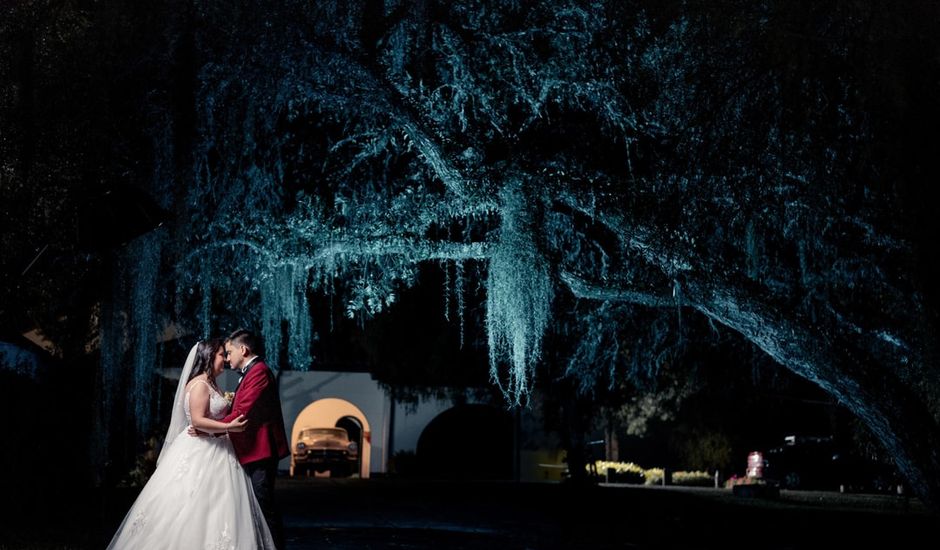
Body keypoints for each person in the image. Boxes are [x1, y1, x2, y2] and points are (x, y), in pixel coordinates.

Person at [107, 339, 277, 549]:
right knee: (192, 503)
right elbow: (197, 420)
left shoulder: (211, 383)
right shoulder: (199, 384)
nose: (224, 359)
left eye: (225, 354)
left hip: (218, 448)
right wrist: (228, 427)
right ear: (208, 357)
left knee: (221, 505)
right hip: (201, 449)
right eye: (220, 355)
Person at [219, 329, 290, 549]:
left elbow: (242, 410)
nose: (227, 357)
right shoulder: (253, 372)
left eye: (229, 352)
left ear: (243, 349)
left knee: (263, 503)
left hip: (262, 450)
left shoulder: (259, 371)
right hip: (254, 449)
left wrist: (210, 428)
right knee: (256, 503)